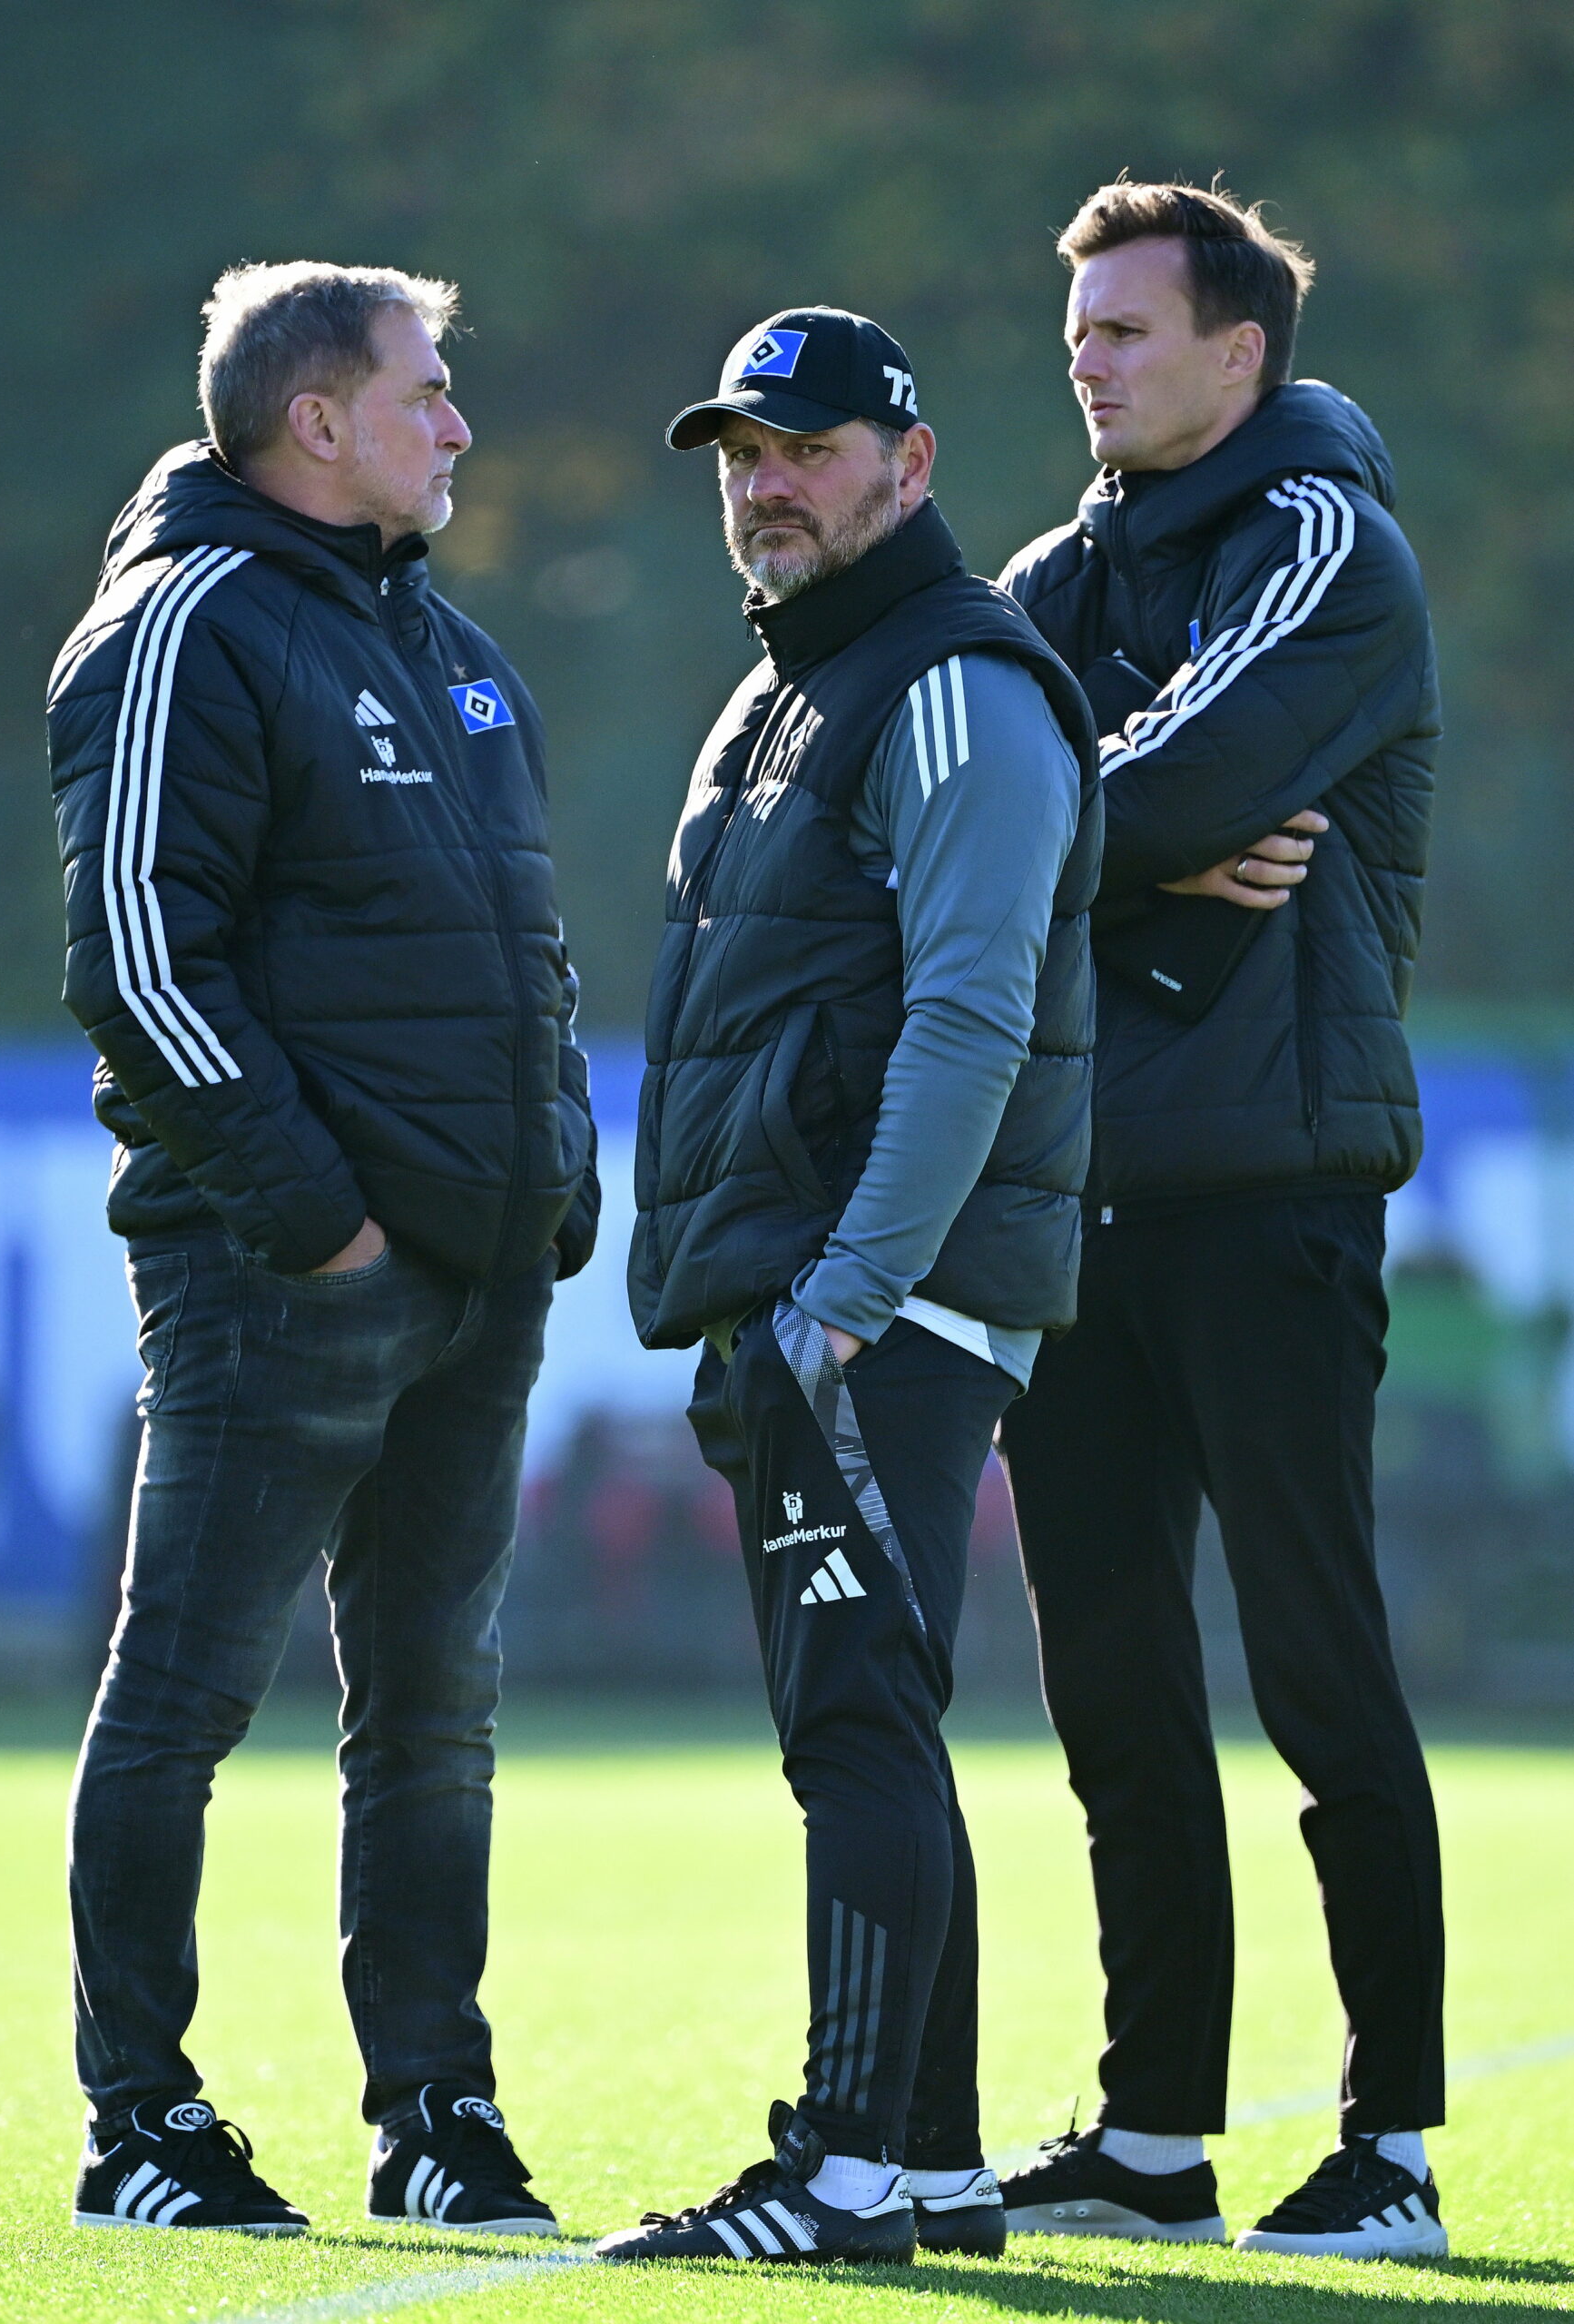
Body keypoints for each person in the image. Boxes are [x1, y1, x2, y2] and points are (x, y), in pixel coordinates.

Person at [48, 261, 597, 2236]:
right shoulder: (183, 620)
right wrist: (324, 1226)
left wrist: (554, 1190)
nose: (456, 425)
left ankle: (433, 2109)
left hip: (476, 1276)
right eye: (426, 392)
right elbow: (135, 958)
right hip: (279, 1274)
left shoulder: (444, 642)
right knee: (187, 1689)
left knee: (433, 1703)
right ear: (315, 420)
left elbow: (524, 953)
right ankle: (145, 2122)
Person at [595, 309, 1099, 2268]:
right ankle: (938, 2158)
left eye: (801, 447)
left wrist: (840, 1294)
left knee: (854, 1728)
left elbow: (970, 1020)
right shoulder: (792, 685)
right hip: (808, 1287)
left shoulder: (951, 682)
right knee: (875, 1707)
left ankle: (847, 2165)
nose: (761, 482)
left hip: (872, 1295)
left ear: (908, 456)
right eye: (736, 451)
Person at [994, 182, 1445, 2262]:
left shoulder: (1322, 541)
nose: (1081, 355)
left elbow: (1125, 806)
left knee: (1314, 1668)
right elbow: (931, 831)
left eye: (1121, 328)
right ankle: (1152, 2130)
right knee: (1105, 1686)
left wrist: (1097, 828)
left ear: (1234, 353)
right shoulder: (1040, 575)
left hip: (1268, 1183)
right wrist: (1130, 833)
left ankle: (1389, 2147)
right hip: (1073, 1197)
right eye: (1074, 326)